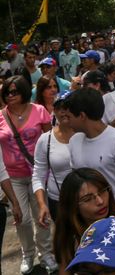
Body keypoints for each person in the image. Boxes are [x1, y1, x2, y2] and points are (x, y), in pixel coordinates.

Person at [0, 75, 55, 275]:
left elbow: (51, 141)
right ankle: (28, 253)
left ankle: (46, 253)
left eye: (14, 91)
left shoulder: (39, 111)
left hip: (38, 173)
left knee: (42, 215)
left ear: (23, 91)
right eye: (6, 92)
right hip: (12, 176)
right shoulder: (0, 117)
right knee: (21, 219)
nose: (9, 95)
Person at [65, 88, 115, 211]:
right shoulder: (74, 141)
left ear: (82, 116)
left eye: (69, 117)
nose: (66, 122)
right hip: (89, 217)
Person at [32, 91, 75, 220]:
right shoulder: (46, 140)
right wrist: (42, 204)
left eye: (67, 107)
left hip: (87, 200)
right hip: (58, 202)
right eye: (59, 108)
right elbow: (38, 175)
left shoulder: (86, 134)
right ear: (54, 111)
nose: (63, 112)